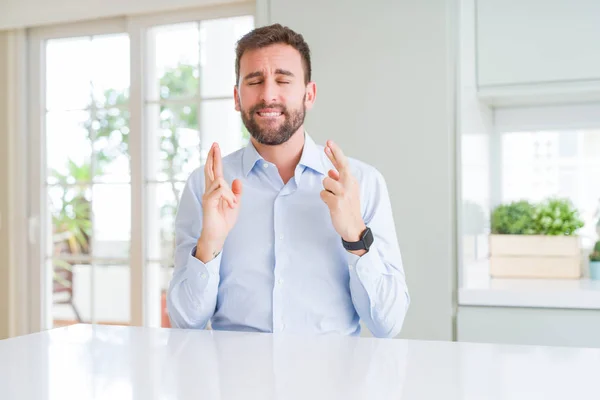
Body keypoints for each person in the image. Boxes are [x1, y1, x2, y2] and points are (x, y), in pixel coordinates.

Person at [167, 23, 409, 338]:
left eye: (283, 80)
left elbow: (387, 325)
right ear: (237, 97)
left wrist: (355, 236)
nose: (268, 95)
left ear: (309, 94)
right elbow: (186, 324)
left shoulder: (363, 184)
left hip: (333, 383)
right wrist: (209, 243)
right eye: (254, 81)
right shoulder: (206, 187)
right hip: (235, 382)